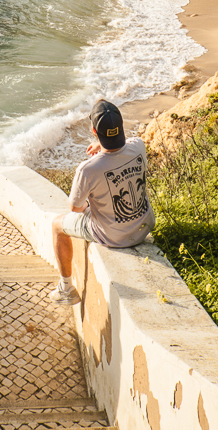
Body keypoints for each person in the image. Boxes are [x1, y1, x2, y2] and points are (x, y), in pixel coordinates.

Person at [49, 100, 155, 305]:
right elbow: (125, 146)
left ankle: (66, 289)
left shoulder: (88, 169)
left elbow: (76, 208)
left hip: (113, 236)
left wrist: (90, 205)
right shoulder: (139, 147)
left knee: (57, 225)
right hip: (144, 225)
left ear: (94, 131)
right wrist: (105, 144)